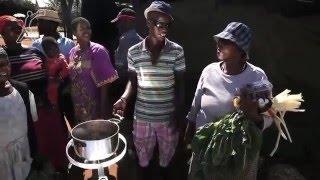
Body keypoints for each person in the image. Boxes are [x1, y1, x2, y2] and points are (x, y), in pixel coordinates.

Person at [185, 22, 273, 180]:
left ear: (241, 51)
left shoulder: (256, 77)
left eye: (226, 42)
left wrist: (251, 113)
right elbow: (196, 106)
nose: (219, 45)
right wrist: (189, 131)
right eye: (219, 41)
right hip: (204, 151)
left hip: (237, 158)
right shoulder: (209, 71)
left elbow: (269, 118)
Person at [113, 1, 186, 179]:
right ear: (147, 22)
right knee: (143, 162)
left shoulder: (176, 51)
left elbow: (181, 85)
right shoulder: (134, 52)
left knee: (165, 162)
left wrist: (178, 114)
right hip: (142, 118)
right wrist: (124, 97)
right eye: (155, 21)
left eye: (165, 23)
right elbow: (133, 81)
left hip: (167, 118)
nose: (160, 26)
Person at [0, 15, 69, 172]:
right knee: (32, 149)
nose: (18, 30)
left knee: (55, 143)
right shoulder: (2, 57)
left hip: (46, 108)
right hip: (19, 114)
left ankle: (60, 171)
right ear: (2, 32)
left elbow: (50, 75)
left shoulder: (35, 52)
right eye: (12, 27)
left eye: (19, 27)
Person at [69, 17, 118, 122]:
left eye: (88, 28)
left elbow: (105, 85)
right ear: (74, 32)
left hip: (95, 109)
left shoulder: (98, 51)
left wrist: (103, 114)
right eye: (82, 28)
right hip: (78, 107)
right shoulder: (72, 52)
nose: (87, 31)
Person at [0, 47, 38, 180]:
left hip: (23, 154)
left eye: (5, 64)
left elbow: (31, 126)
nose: (2, 69)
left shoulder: (22, 90)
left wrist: (35, 153)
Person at [41, 36, 69, 108]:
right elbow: (44, 71)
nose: (56, 50)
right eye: (51, 49)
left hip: (59, 83)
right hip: (49, 83)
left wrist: (59, 76)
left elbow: (66, 69)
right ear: (46, 51)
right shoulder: (45, 60)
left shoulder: (60, 58)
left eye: (56, 47)